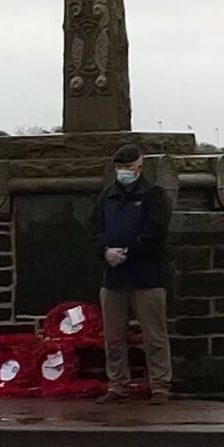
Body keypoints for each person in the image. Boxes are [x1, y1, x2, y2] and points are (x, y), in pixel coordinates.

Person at [88, 142, 173, 404]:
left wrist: (127, 251)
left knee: (154, 336)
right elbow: (93, 229)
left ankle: (160, 385)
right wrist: (104, 251)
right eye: (120, 167)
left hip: (146, 276)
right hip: (113, 279)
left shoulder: (154, 195)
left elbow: (156, 233)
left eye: (128, 167)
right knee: (113, 338)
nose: (124, 171)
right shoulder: (107, 197)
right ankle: (117, 385)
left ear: (139, 166)